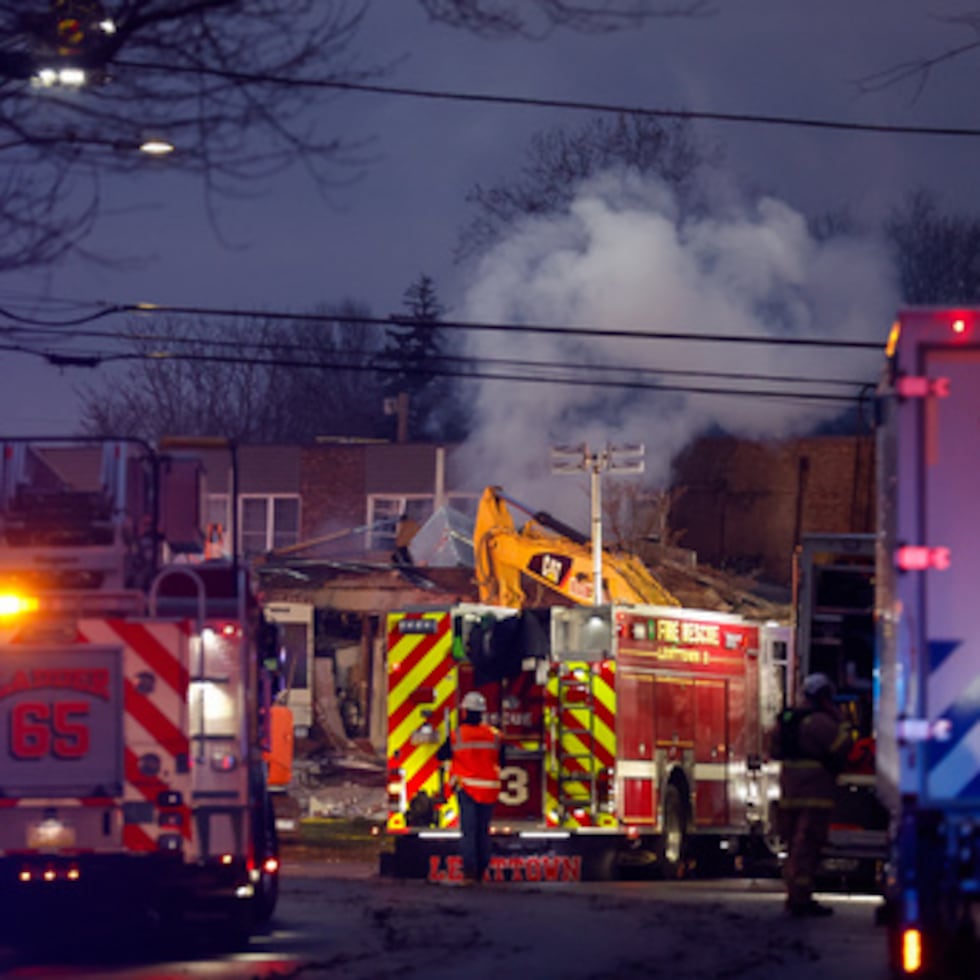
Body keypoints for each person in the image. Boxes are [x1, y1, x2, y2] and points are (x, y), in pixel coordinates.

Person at [775, 672, 853, 917]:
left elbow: (773, 748)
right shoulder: (820, 722)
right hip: (815, 793)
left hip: (789, 791)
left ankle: (794, 895)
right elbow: (843, 747)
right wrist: (843, 722)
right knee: (808, 847)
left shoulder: (788, 720)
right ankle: (801, 899)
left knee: (794, 846)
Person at [437, 690, 504, 885]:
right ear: (482, 712)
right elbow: (502, 760)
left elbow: (441, 755)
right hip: (490, 789)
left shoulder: (457, 735)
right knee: (483, 831)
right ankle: (483, 870)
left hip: (467, 789)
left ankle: (470, 872)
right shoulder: (495, 735)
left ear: (465, 711)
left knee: (469, 831)